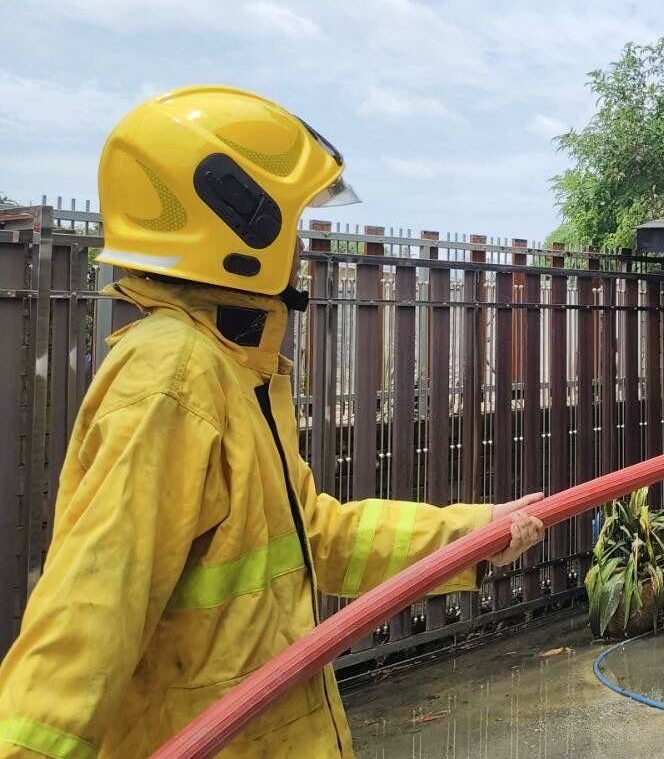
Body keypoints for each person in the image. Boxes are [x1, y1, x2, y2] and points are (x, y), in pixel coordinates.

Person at [0, 87, 545, 758]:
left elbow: (315, 536)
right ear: (238, 224)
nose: (303, 243)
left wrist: (470, 535)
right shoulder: (171, 379)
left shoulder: (229, 368)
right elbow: (85, 621)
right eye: (292, 219)